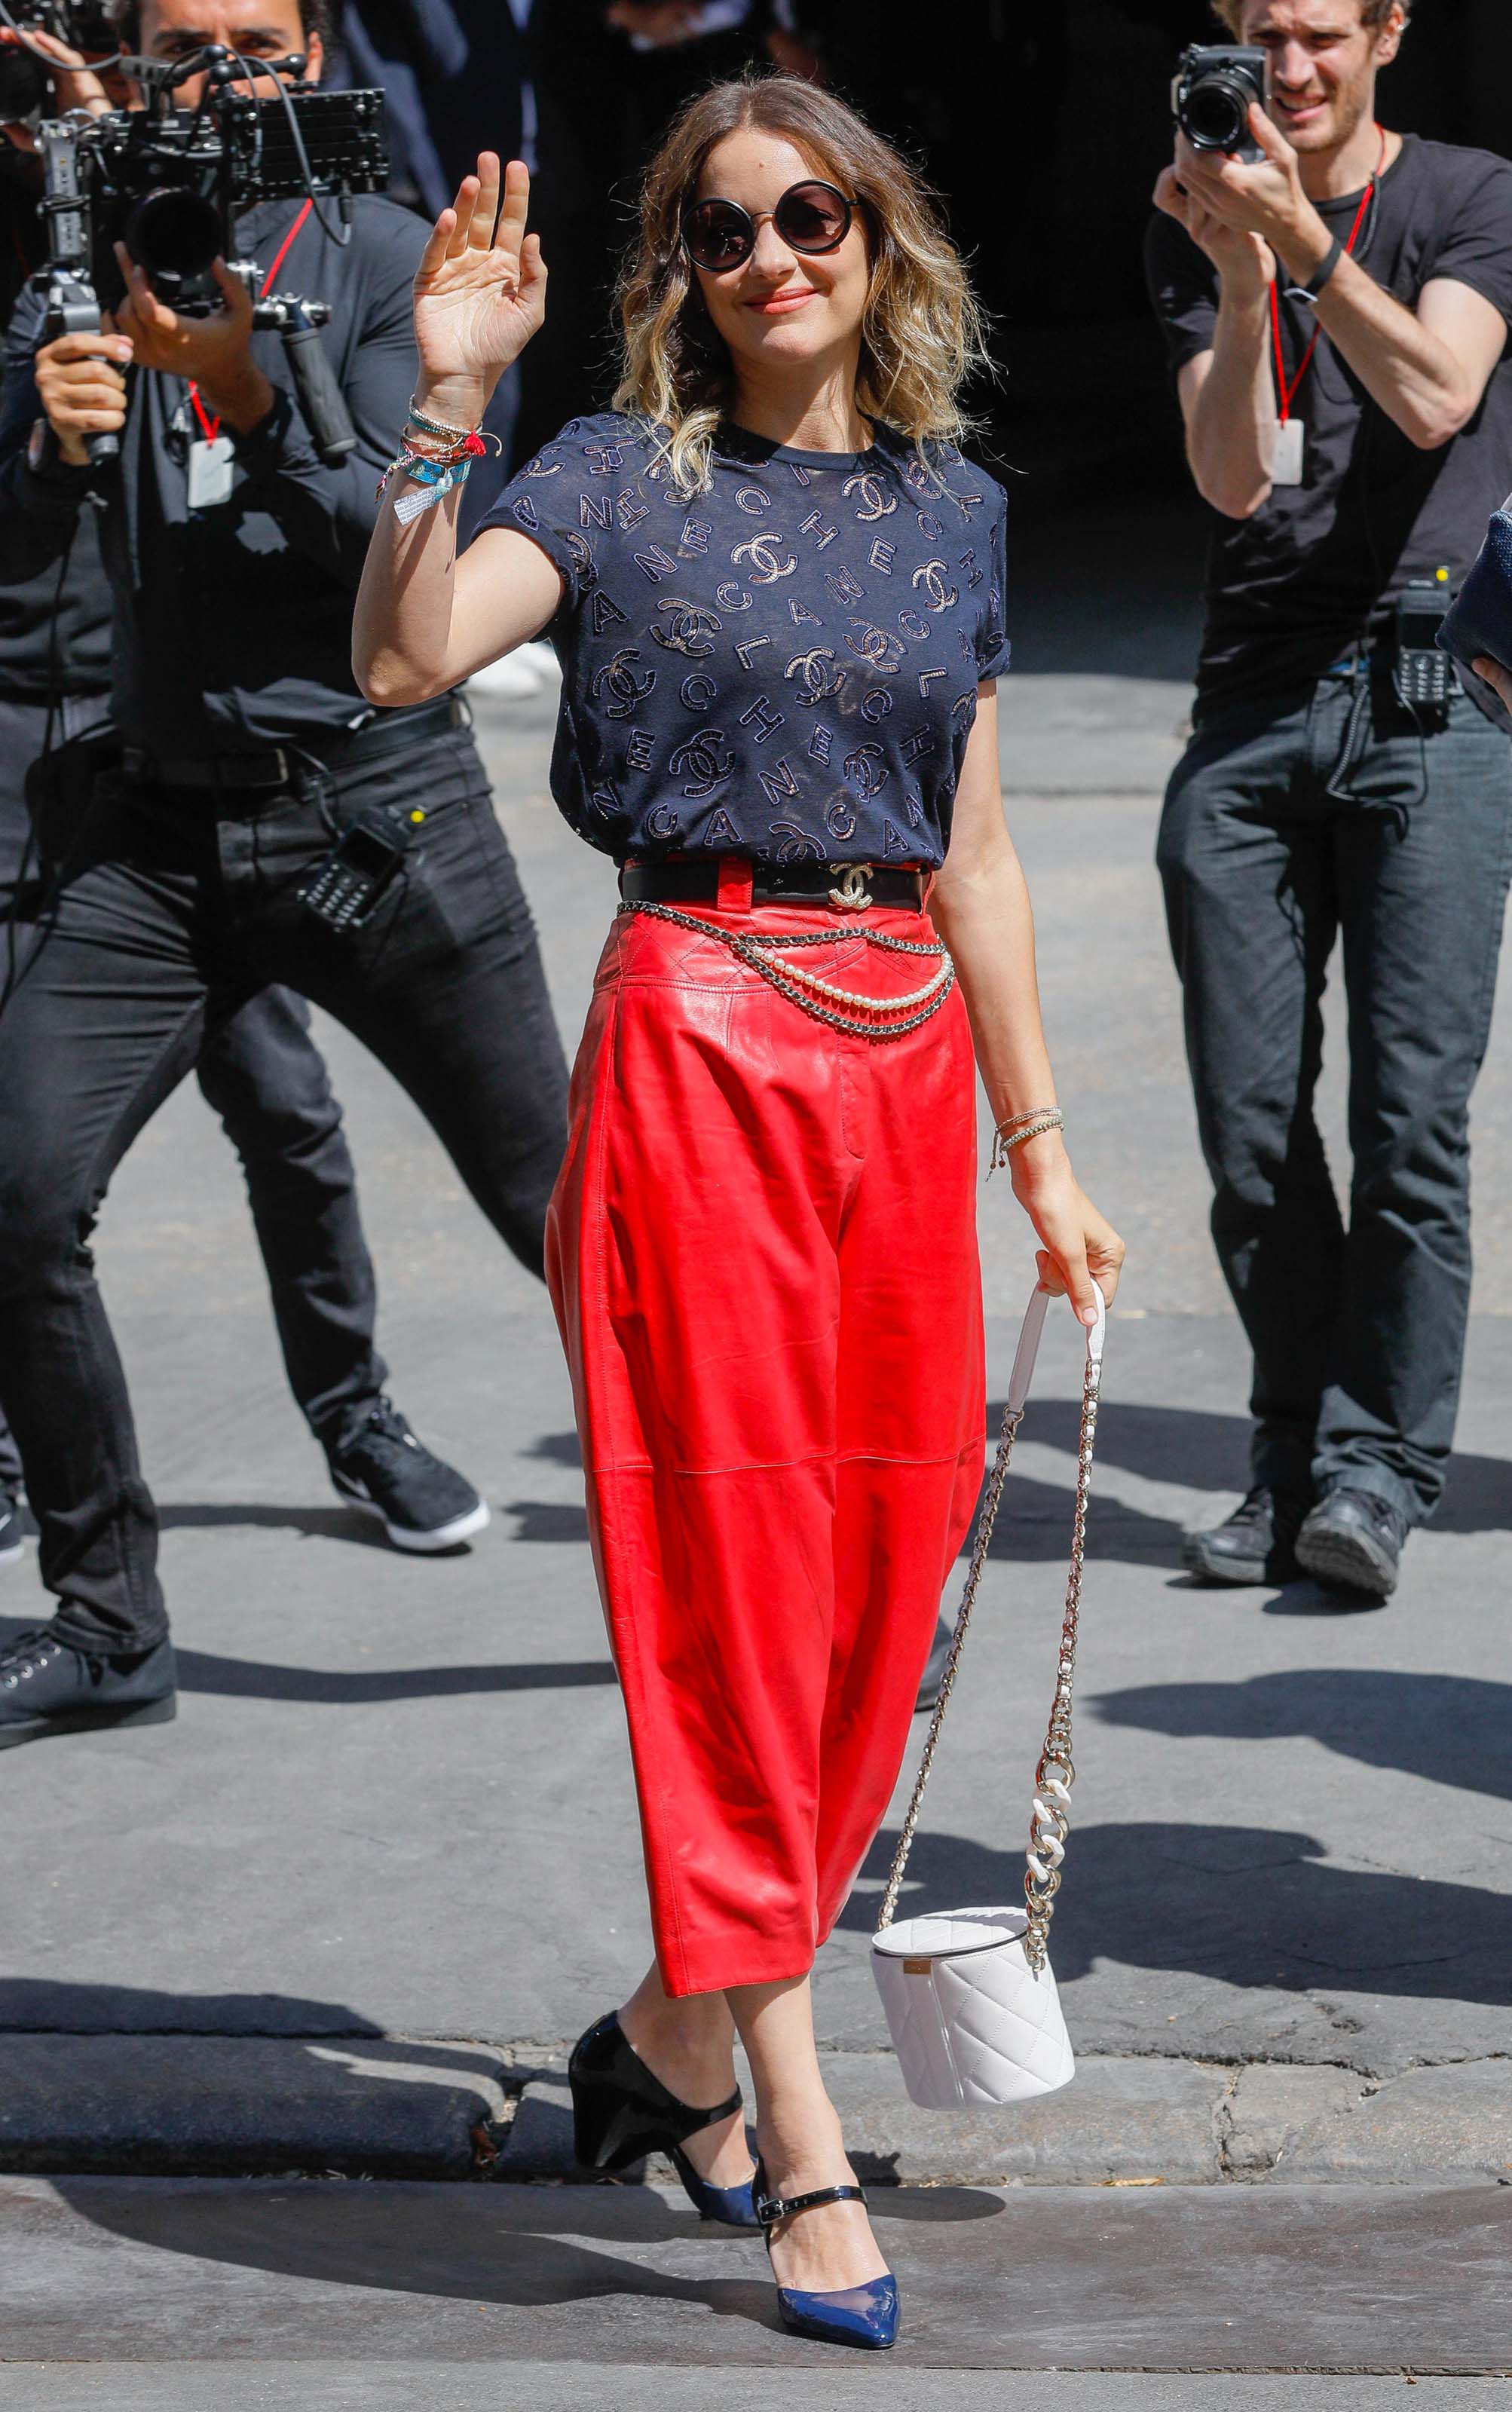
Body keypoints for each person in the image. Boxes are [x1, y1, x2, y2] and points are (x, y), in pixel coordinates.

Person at [353, 81, 1124, 2347]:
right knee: (725, 1598)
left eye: (810, 215)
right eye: (721, 229)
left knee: (874, 1600)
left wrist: (1044, 1151)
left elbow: (969, 850)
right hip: (690, 1037)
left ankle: (672, 2046)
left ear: (878, 240)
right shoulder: (600, 479)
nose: (770, 254)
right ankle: (791, 2133)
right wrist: (444, 405)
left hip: (890, 1069)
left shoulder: (953, 513)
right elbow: (407, 660)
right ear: (676, 270)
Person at [0, 0, 568, 1749]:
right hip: (159, 824)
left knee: (584, 1228)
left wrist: (248, 385)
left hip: (372, 812)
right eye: (187, 35)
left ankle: (804, 1590)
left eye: (254, 33)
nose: (220, 71)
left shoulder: (396, 252)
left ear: (315, 45)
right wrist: (50, 443)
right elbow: (26, 583)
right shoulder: (78, 254)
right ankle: (109, 1615)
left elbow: (413, 548)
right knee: (15, 1194)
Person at [1146, 0, 1512, 1601]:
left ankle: (1373, 1468)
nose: (1286, 74)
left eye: (1317, 36)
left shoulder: (1469, 194)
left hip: (1431, 693)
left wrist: (1306, 244)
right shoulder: (1195, 201)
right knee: (1244, 1128)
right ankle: (1287, 1443)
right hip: (1251, 699)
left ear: (1387, 31)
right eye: (1258, 37)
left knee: (1408, 1123)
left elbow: (1436, 395)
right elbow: (1232, 477)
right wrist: (1241, 269)